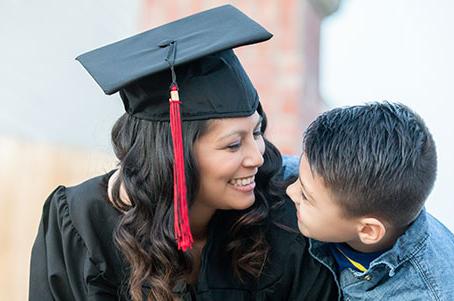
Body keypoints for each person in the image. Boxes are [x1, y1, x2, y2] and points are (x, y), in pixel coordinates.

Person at [29, 5, 337, 301]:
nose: (257, 156)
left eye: (256, 133)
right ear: (172, 153)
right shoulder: (81, 224)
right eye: (232, 144)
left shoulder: (286, 221)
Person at [286, 102, 454, 300]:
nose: (290, 191)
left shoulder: (424, 294)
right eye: (298, 180)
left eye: (306, 197)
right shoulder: (335, 185)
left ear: (368, 230)